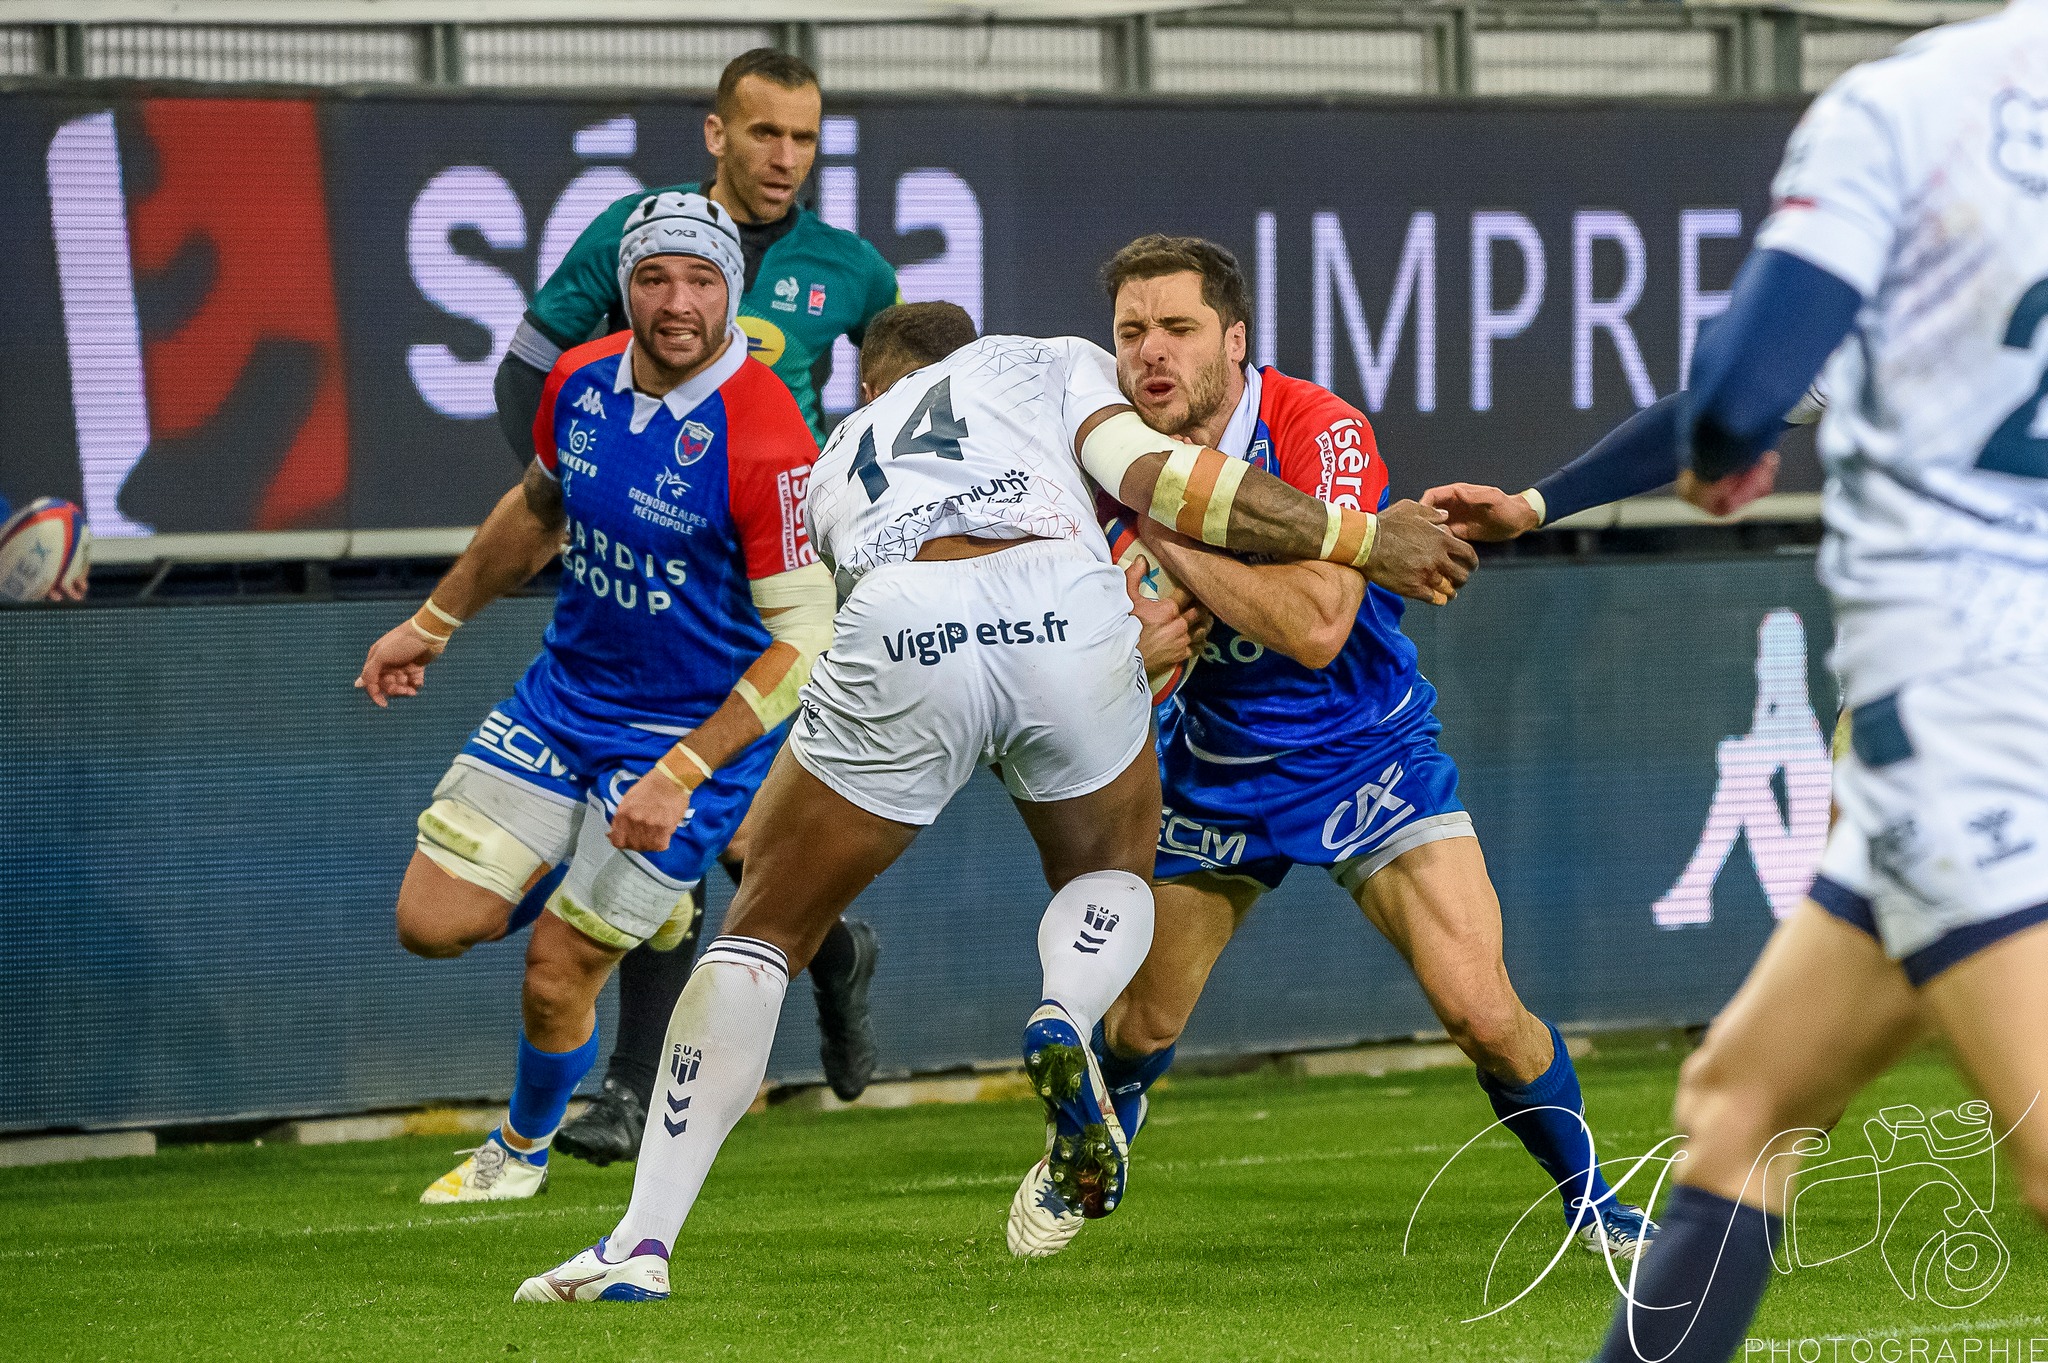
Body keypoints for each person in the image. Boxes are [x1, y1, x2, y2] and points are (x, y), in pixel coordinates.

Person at [513, 301, 1475, 1302]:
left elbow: (860, 636)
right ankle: (1066, 1010)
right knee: (1109, 871)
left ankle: (641, 1244)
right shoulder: (1042, 359)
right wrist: (1364, 537)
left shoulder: (833, 455)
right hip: (1061, 599)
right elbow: (1163, 479)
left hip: (902, 615)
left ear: (871, 384)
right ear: (967, 356)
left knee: (761, 930)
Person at [1467, 9, 2048, 1355]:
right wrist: (1544, 501)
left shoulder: (1911, 106)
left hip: (1971, 711)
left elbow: (1737, 392)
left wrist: (1722, 452)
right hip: (1955, 736)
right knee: (1741, 1105)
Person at [1004, 235, 1655, 1264]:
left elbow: (1314, 624)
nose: (1149, 353)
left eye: (1176, 328)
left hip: (1367, 755)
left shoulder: (1318, 429)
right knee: (1140, 1025)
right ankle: (1088, 1145)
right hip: (1214, 767)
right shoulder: (1100, 453)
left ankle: (1597, 1206)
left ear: (1233, 340)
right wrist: (1125, 649)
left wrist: (1163, 537)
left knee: (1483, 1013)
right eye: (1130, 333)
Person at [357, 192, 834, 1203]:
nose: (677, 302)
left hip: (686, 737)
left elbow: (804, 643)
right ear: (626, 286)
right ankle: (645, 902)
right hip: (563, 699)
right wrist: (430, 624)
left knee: (556, 968)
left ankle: (518, 1152)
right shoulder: (577, 380)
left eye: (701, 280)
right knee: (429, 921)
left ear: (731, 292)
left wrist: (682, 772)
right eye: (654, 277)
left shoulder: (767, 438)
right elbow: (538, 513)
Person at [492, 47, 904, 1159]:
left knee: (698, 814)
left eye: (805, 137)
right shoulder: (637, 233)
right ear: (716, 134)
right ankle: (810, 966)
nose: (786, 157)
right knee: (700, 818)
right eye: (765, 132)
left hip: (777, 576)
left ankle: (646, 1077)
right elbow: (527, 366)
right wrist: (583, 491)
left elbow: (904, 399)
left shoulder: (854, 270)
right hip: (656, 560)